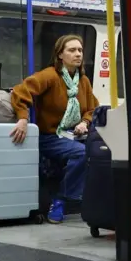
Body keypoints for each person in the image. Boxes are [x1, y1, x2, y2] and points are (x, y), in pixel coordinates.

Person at [9, 34, 99, 224]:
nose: (78, 54)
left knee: (102, 151)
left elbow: (92, 108)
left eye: (80, 50)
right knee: (82, 154)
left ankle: (96, 204)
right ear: (60, 55)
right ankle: (60, 200)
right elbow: (20, 91)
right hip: (50, 136)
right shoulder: (49, 76)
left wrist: (85, 122)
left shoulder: (83, 82)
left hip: (73, 135)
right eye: (72, 50)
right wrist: (23, 119)